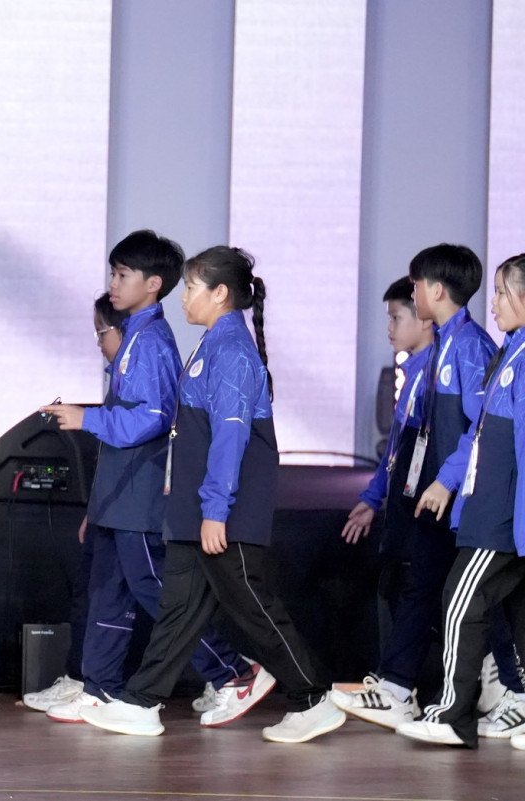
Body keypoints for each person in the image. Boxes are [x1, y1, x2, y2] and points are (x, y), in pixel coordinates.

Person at [80, 246, 345, 744]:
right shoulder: (212, 345)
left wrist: (215, 510)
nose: (183, 298)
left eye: (191, 288)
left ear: (220, 293)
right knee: (178, 610)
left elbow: (230, 437)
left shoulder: (232, 352)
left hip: (223, 512)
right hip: (194, 510)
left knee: (253, 606)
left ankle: (313, 698)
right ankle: (142, 703)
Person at [40, 232, 265, 727]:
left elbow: (154, 417)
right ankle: (99, 687)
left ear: (152, 284)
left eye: (123, 274)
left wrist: (86, 418)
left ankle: (233, 671)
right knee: (108, 590)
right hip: (120, 494)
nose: (113, 283)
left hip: (142, 493)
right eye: (113, 273)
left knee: (154, 589)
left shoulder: (153, 341)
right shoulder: (137, 337)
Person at [332, 244, 496, 729]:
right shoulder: (442, 346)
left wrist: (446, 481)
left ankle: (492, 687)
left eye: (416, 285)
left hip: (458, 499)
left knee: (462, 596)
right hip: (431, 496)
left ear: (436, 291)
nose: (414, 291)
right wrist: (376, 496)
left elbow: (482, 428)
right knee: (421, 587)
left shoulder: (470, 346)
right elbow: (408, 442)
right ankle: (399, 686)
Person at [397, 254, 525, 748]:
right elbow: (479, 431)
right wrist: (447, 481)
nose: (493, 303)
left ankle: (451, 714)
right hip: (488, 506)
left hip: (502, 512)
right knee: (506, 611)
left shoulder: (495, 352)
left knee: (459, 604)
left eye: (501, 293)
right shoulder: (509, 352)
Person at [22, 293, 124, 713]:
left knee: (143, 597)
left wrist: (85, 418)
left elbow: (148, 431)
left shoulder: (150, 363)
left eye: (102, 332)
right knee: (91, 595)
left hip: (137, 510)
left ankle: (227, 671)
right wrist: (95, 507)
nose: (98, 342)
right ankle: (84, 681)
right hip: (109, 506)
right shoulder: (119, 375)